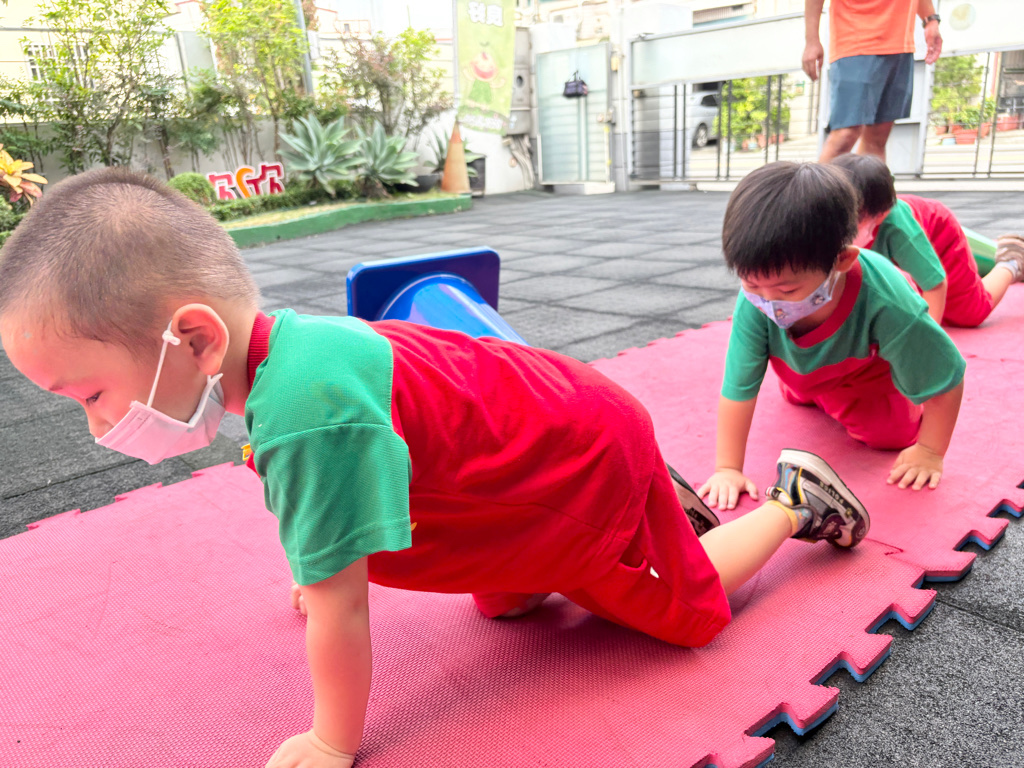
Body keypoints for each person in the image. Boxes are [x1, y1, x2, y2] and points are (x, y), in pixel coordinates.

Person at [0, 167, 871, 768]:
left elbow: (341, 605)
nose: (98, 427)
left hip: (579, 465)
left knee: (687, 615)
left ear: (193, 338)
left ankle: (793, 502)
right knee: (510, 608)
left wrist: (333, 740)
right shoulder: (287, 353)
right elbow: (357, 475)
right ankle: (651, 512)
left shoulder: (304, 416)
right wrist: (323, 556)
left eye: (91, 395)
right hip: (539, 445)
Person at [697, 162, 965, 512]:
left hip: (865, 373)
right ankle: (816, 390)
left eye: (787, 290)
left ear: (842, 260)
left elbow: (945, 377)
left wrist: (930, 451)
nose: (770, 302)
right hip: (806, 372)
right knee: (799, 391)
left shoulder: (888, 301)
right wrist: (728, 468)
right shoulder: (757, 297)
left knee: (890, 436)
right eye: (751, 284)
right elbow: (738, 386)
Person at [833, 153, 1024, 327]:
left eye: (853, 221)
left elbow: (935, 285)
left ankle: (1011, 260)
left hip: (938, 233)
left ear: (881, 215)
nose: (843, 227)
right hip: (900, 234)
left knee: (969, 311)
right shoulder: (827, 211)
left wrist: (927, 336)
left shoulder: (900, 231)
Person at [803, 0, 943, 162]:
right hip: (855, 39)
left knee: (878, 138)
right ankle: (818, 180)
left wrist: (930, 19)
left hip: (900, 43)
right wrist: (811, 40)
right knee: (845, 134)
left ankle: (870, 180)